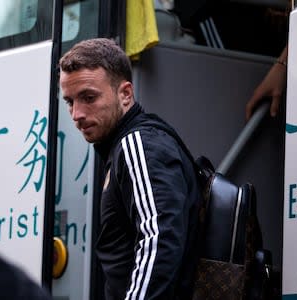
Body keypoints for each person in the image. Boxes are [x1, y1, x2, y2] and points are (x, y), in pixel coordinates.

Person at [59, 38, 201, 300]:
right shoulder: (123, 147)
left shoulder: (139, 144)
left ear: (125, 94)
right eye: (69, 102)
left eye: (88, 97)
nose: (76, 114)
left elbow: (158, 239)